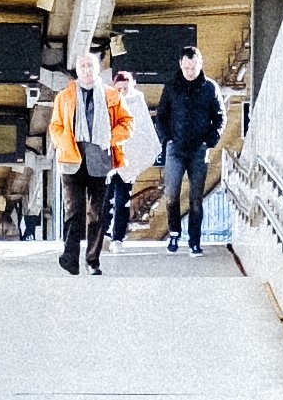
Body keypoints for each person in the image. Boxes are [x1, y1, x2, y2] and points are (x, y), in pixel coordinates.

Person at [53, 38, 143, 277]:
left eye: (90, 66)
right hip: (72, 157)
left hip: (101, 158)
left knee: (98, 213)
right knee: (74, 210)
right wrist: (65, 144)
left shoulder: (112, 96)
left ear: (97, 69)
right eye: (82, 66)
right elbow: (56, 127)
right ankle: (70, 257)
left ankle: (92, 260)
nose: (86, 70)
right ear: (76, 70)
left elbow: (128, 123)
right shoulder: (64, 97)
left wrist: (110, 138)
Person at [157, 37, 224, 253]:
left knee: (196, 198)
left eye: (193, 67)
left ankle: (195, 241)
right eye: (186, 67)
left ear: (200, 65)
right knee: (171, 193)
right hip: (175, 149)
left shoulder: (210, 88)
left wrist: (210, 141)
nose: (189, 71)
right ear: (180, 65)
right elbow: (162, 116)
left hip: (198, 150)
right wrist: (166, 139)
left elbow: (220, 117)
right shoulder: (171, 86)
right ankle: (174, 234)